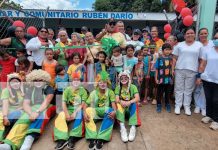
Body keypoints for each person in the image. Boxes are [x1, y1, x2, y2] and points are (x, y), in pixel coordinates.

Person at [0, 70, 56, 150]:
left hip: (48, 107)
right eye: (35, 80)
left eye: (40, 80)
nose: (38, 82)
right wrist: (30, 113)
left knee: (41, 115)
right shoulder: (30, 89)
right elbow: (26, 103)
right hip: (32, 108)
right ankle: (9, 144)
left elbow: (47, 102)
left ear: (45, 80)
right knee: (22, 120)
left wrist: (37, 112)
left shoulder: (48, 88)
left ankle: (28, 141)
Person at [173, 27, 203, 116]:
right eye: (188, 33)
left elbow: (201, 60)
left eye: (191, 33)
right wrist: (172, 69)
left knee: (188, 90)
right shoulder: (179, 45)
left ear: (194, 34)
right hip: (180, 69)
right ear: (185, 35)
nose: (190, 35)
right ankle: (178, 105)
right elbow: (174, 58)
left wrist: (199, 73)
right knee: (178, 88)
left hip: (193, 70)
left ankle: (187, 106)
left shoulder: (199, 45)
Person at [83, 71, 117, 150]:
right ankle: (92, 138)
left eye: (104, 82)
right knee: (87, 110)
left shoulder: (110, 92)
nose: (102, 84)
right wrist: (84, 113)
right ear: (97, 83)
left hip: (105, 112)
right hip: (96, 112)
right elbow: (85, 105)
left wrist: (114, 111)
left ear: (107, 83)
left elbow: (113, 104)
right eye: (100, 82)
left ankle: (101, 138)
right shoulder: (93, 93)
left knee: (111, 110)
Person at [53, 72, 88, 149]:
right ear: (71, 81)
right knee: (60, 116)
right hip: (68, 109)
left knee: (79, 115)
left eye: (78, 80)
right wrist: (66, 114)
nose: (76, 81)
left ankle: (73, 138)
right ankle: (61, 139)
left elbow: (82, 104)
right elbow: (63, 103)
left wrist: (75, 113)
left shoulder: (83, 91)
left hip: (78, 109)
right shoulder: (67, 90)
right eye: (74, 80)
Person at [197, 39, 218, 130]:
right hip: (207, 79)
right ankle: (208, 115)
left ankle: (216, 120)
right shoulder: (208, 51)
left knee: (216, 100)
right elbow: (203, 64)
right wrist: (199, 76)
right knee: (208, 98)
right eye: (216, 38)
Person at [115, 70, 141, 143]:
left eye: (125, 78)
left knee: (134, 104)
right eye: (121, 78)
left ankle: (133, 127)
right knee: (118, 104)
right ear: (119, 79)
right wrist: (121, 101)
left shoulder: (133, 87)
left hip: (130, 110)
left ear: (129, 78)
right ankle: (122, 127)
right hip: (122, 109)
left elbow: (137, 98)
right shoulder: (118, 87)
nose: (123, 80)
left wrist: (129, 102)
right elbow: (116, 99)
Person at [194, 28, 214, 116]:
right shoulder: (196, 44)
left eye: (205, 33)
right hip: (196, 68)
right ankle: (197, 105)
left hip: (207, 70)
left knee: (204, 90)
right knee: (197, 88)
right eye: (201, 34)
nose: (203, 35)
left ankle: (203, 107)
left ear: (208, 34)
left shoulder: (212, 44)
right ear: (198, 35)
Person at [0, 73, 24, 143]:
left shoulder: (24, 90)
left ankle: (5, 138)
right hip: (7, 110)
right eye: (12, 83)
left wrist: (20, 108)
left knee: (14, 115)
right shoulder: (6, 91)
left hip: (20, 110)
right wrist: (5, 116)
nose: (15, 84)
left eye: (16, 82)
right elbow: (5, 104)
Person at [155, 43, 173, 113]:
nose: (168, 51)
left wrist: (172, 78)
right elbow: (156, 69)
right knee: (159, 93)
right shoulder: (159, 59)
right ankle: (159, 104)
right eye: (166, 50)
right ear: (162, 51)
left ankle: (167, 104)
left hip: (168, 79)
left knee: (167, 93)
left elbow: (171, 69)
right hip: (161, 79)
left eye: (169, 50)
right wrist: (156, 78)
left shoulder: (171, 59)